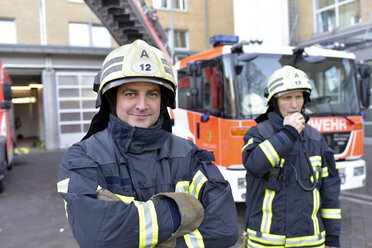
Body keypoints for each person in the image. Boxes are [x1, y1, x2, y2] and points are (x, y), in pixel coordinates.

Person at [57, 39, 239, 248]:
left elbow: (225, 229)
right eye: (130, 93)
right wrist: (177, 210)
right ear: (112, 99)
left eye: (152, 94)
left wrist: (134, 230)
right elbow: (98, 236)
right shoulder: (82, 158)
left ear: (162, 100)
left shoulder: (189, 155)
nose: (142, 105)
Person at [241, 65, 341, 248]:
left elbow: (330, 193)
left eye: (299, 97)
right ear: (275, 102)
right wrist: (288, 134)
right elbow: (254, 164)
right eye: (287, 98)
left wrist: (333, 238)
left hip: (311, 241)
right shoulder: (258, 134)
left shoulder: (316, 139)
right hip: (266, 242)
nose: (294, 105)